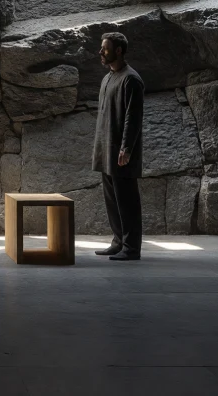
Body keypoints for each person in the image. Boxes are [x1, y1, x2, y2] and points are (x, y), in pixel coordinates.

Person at [92, 31, 144, 261]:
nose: (101, 52)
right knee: (112, 199)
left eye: (105, 48)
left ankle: (131, 248)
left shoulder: (131, 79)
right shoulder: (108, 78)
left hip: (121, 151)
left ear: (119, 50)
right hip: (106, 150)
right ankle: (118, 241)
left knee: (127, 201)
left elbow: (133, 118)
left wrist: (126, 148)